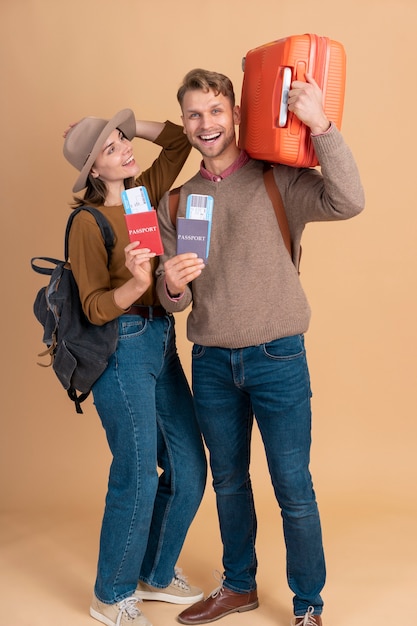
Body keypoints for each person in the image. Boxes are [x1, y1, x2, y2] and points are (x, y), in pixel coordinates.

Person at [154, 69, 365, 626]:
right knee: (228, 482)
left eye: (216, 111)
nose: (206, 124)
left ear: (237, 114)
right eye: (195, 114)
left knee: (293, 487)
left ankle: (308, 606)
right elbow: (172, 299)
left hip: (278, 357)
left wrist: (321, 125)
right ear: (185, 122)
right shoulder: (178, 203)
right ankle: (238, 585)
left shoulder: (280, 181)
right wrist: (171, 284)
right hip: (212, 362)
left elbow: (350, 201)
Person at [62, 110, 207, 626]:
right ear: (93, 172)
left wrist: (126, 124)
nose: (124, 150)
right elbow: (96, 307)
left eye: (122, 142)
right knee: (138, 472)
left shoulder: (138, 196)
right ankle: (111, 593)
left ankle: (155, 573)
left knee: (190, 469)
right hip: (120, 347)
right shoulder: (87, 222)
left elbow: (176, 144)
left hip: (160, 339)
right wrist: (135, 280)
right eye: (109, 150)